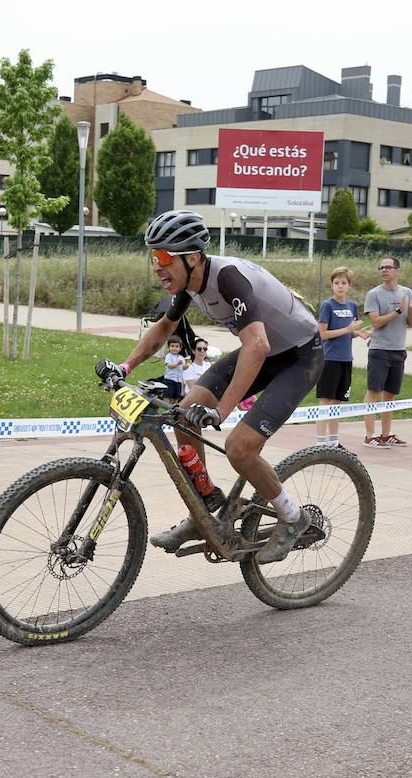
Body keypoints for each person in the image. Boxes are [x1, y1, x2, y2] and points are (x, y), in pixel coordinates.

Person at [103, 210, 323, 564]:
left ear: (192, 257)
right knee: (184, 417)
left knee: (240, 448)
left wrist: (221, 411)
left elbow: (258, 346)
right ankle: (203, 511)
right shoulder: (190, 283)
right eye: (153, 257)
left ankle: (293, 517)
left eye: (162, 258)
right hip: (264, 349)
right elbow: (163, 328)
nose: (156, 266)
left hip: (299, 356)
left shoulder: (229, 279)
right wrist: (125, 366)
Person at [362, 256, 412, 448]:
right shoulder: (374, 294)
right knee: (374, 392)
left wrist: (410, 310)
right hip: (379, 350)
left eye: (388, 267)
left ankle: (386, 435)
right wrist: (397, 311)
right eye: (382, 267)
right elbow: (376, 322)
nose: (384, 270)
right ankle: (370, 436)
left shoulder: (407, 292)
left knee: (390, 395)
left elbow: (411, 323)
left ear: (398, 270)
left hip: (398, 350)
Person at [315, 266, 367, 446]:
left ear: (349, 285)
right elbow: (322, 334)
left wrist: (358, 333)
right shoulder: (327, 306)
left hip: (346, 359)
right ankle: (320, 442)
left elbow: (348, 332)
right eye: (336, 283)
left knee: (337, 403)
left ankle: (334, 442)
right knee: (326, 401)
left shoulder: (352, 306)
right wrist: (347, 329)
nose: (340, 286)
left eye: (343, 283)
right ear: (332, 285)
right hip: (330, 359)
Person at [162, 336, 187, 402]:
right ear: (169, 347)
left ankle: (172, 409)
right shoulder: (169, 356)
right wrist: (177, 363)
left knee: (176, 396)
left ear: (180, 348)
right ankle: (166, 406)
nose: (174, 348)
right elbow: (169, 365)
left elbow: (183, 368)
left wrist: (187, 366)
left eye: (177, 346)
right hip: (170, 380)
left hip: (178, 381)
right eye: (172, 346)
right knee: (167, 395)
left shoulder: (181, 357)